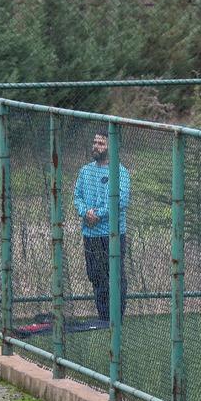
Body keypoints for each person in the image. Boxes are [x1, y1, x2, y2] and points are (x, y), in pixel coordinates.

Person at [74, 128, 131, 323]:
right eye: (95, 142)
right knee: (96, 276)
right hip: (90, 234)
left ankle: (117, 317)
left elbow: (120, 201)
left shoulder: (120, 172)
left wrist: (98, 214)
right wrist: (85, 212)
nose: (96, 146)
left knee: (114, 276)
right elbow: (77, 197)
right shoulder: (85, 171)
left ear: (111, 147)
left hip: (112, 234)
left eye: (101, 143)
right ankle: (103, 318)